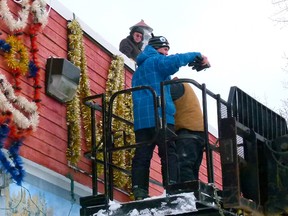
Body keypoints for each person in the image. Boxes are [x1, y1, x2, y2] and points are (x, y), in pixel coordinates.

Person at [131, 34, 210, 200]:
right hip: (160, 116)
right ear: (156, 47)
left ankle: (139, 190)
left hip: (141, 120)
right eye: (165, 49)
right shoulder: (156, 61)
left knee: (142, 155)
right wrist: (198, 55)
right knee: (169, 154)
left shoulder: (138, 71)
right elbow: (175, 61)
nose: (166, 53)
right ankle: (173, 188)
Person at [170, 79, 205, 182]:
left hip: (188, 130)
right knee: (192, 167)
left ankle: (189, 193)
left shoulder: (174, 86)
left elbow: (161, 98)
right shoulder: (183, 85)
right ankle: (193, 192)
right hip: (198, 131)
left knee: (183, 165)